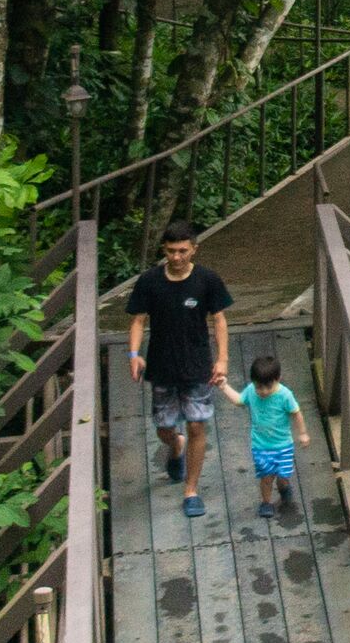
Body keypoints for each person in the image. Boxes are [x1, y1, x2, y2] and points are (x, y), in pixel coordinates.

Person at [126, 219, 232, 519]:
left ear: (194, 250)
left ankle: (191, 490)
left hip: (197, 364)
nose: (176, 257)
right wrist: (134, 353)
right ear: (164, 250)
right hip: (161, 363)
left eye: (182, 251)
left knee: (197, 424)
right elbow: (137, 319)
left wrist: (222, 359)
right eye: (171, 251)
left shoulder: (207, 280)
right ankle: (176, 447)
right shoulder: (149, 281)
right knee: (164, 427)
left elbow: (219, 319)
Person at [239, 352, 304, 524]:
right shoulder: (251, 392)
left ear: (278, 379)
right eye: (258, 386)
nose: (263, 391)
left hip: (283, 445)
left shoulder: (285, 395)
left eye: (267, 386)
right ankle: (266, 502)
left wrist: (302, 433)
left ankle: (283, 487)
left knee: (283, 475)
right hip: (261, 446)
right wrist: (223, 387)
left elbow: (296, 413)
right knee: (266, 477)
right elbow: (239, 400)